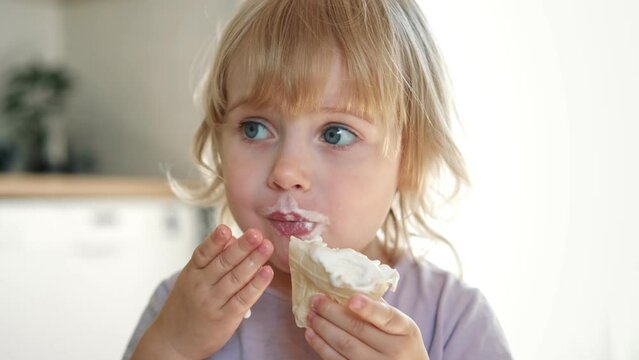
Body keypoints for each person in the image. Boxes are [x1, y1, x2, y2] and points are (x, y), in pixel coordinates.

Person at [124, 0, 512, 359]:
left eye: (335, 135)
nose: (286, 172)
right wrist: (170, 347)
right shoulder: (180, 309)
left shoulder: (455, 320)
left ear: (408, 161)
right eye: (256, 128)